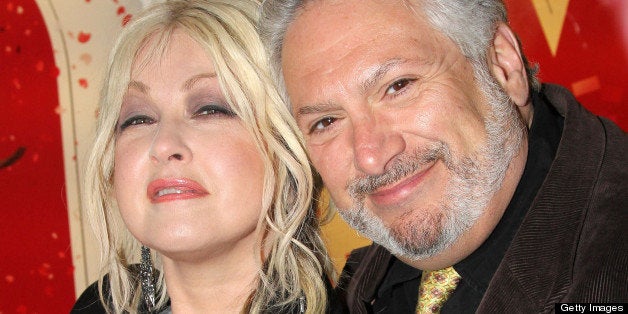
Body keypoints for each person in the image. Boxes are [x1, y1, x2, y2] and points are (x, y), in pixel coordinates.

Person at [259, 0, 627, 312]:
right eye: (326, 121)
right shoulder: (358, 287)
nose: (369, 157)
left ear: (503, 65)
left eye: (398, 86)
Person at [71, 0, 338, 313]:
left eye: (210, 109)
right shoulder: (98, 305)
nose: (162, 144)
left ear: (287, 144)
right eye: (138, 118)